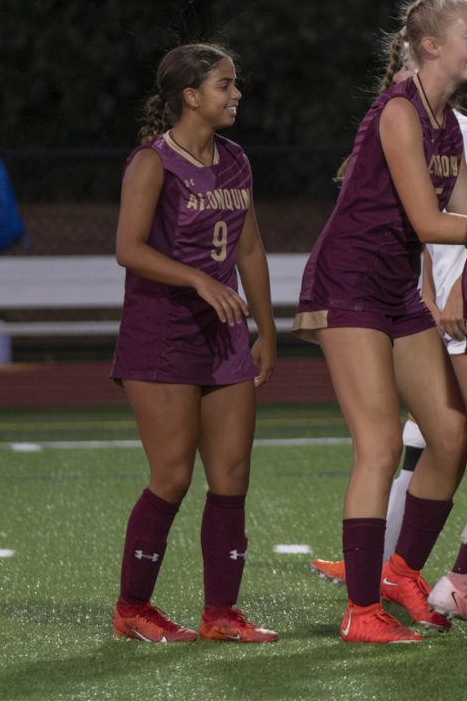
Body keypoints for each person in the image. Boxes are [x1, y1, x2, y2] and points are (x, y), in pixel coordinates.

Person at [293, 0, 467, 643]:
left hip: (395, 290)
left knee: (451, 434)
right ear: (431, 44)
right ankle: (360, 611)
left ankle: (400, 571)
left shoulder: (448, 123)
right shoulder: (401, 112)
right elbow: (435, 222)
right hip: (347, 286)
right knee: (378, 446)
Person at [111, 42, 278, 644]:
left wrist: (267, 326)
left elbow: (250, 249)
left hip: (225, 337)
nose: (236, 95)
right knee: (173, 476)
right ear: (191, 95)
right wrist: (198, 279)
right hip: (162, 337)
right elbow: (129, 248)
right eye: (225, 85)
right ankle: (132, 608)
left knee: (231, 474)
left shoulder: (236, 159)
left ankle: (221, 614)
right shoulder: (152, 163)